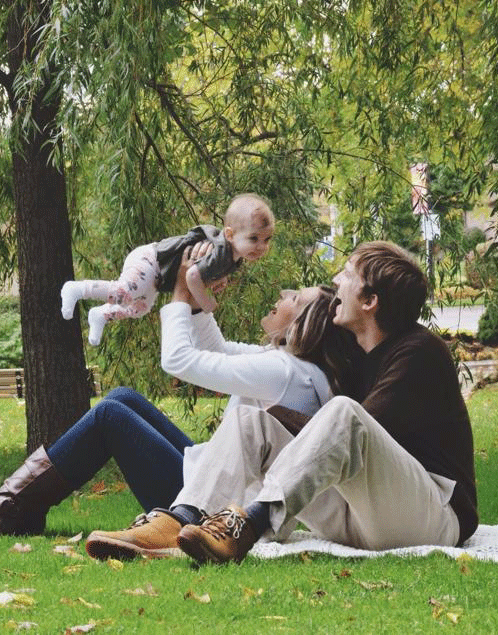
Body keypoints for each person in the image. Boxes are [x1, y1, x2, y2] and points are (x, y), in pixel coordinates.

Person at [95, 240, 477, 566]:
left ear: (370, 301)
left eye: (346, 274)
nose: (336, 281)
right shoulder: (359, 359)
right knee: (251, 421)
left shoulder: (418, 352)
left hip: (434, 515)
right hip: (365, 515)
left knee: (343, 414)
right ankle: (178, 519)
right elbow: (330, 440)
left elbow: (359, 432)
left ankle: (249, 525)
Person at [0, 244, 358, 548]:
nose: (282, 295)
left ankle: (12, 505)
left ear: (305, 325)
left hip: (211, 505)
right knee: (123, 398)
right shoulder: (295, 369)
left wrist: (180, 296)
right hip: (221, 485)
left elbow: (179, 361)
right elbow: (216, 349)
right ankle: (24, 504)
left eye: (294, 298)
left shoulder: (284, 372)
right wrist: (197, 295)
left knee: (110, 416)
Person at [60, 193, 274, 345]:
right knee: (124, 293)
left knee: (140, 308)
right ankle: (77, 289)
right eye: (254, 238)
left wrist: (221, 279)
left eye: (267, 240)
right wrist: (205, 301)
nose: (261, 247)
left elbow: (210, 271)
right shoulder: (220, 252)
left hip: (158, 276)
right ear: (229, 235)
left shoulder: (234, 257)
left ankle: (101, 315)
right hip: (152, 260)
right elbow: (191, 275)